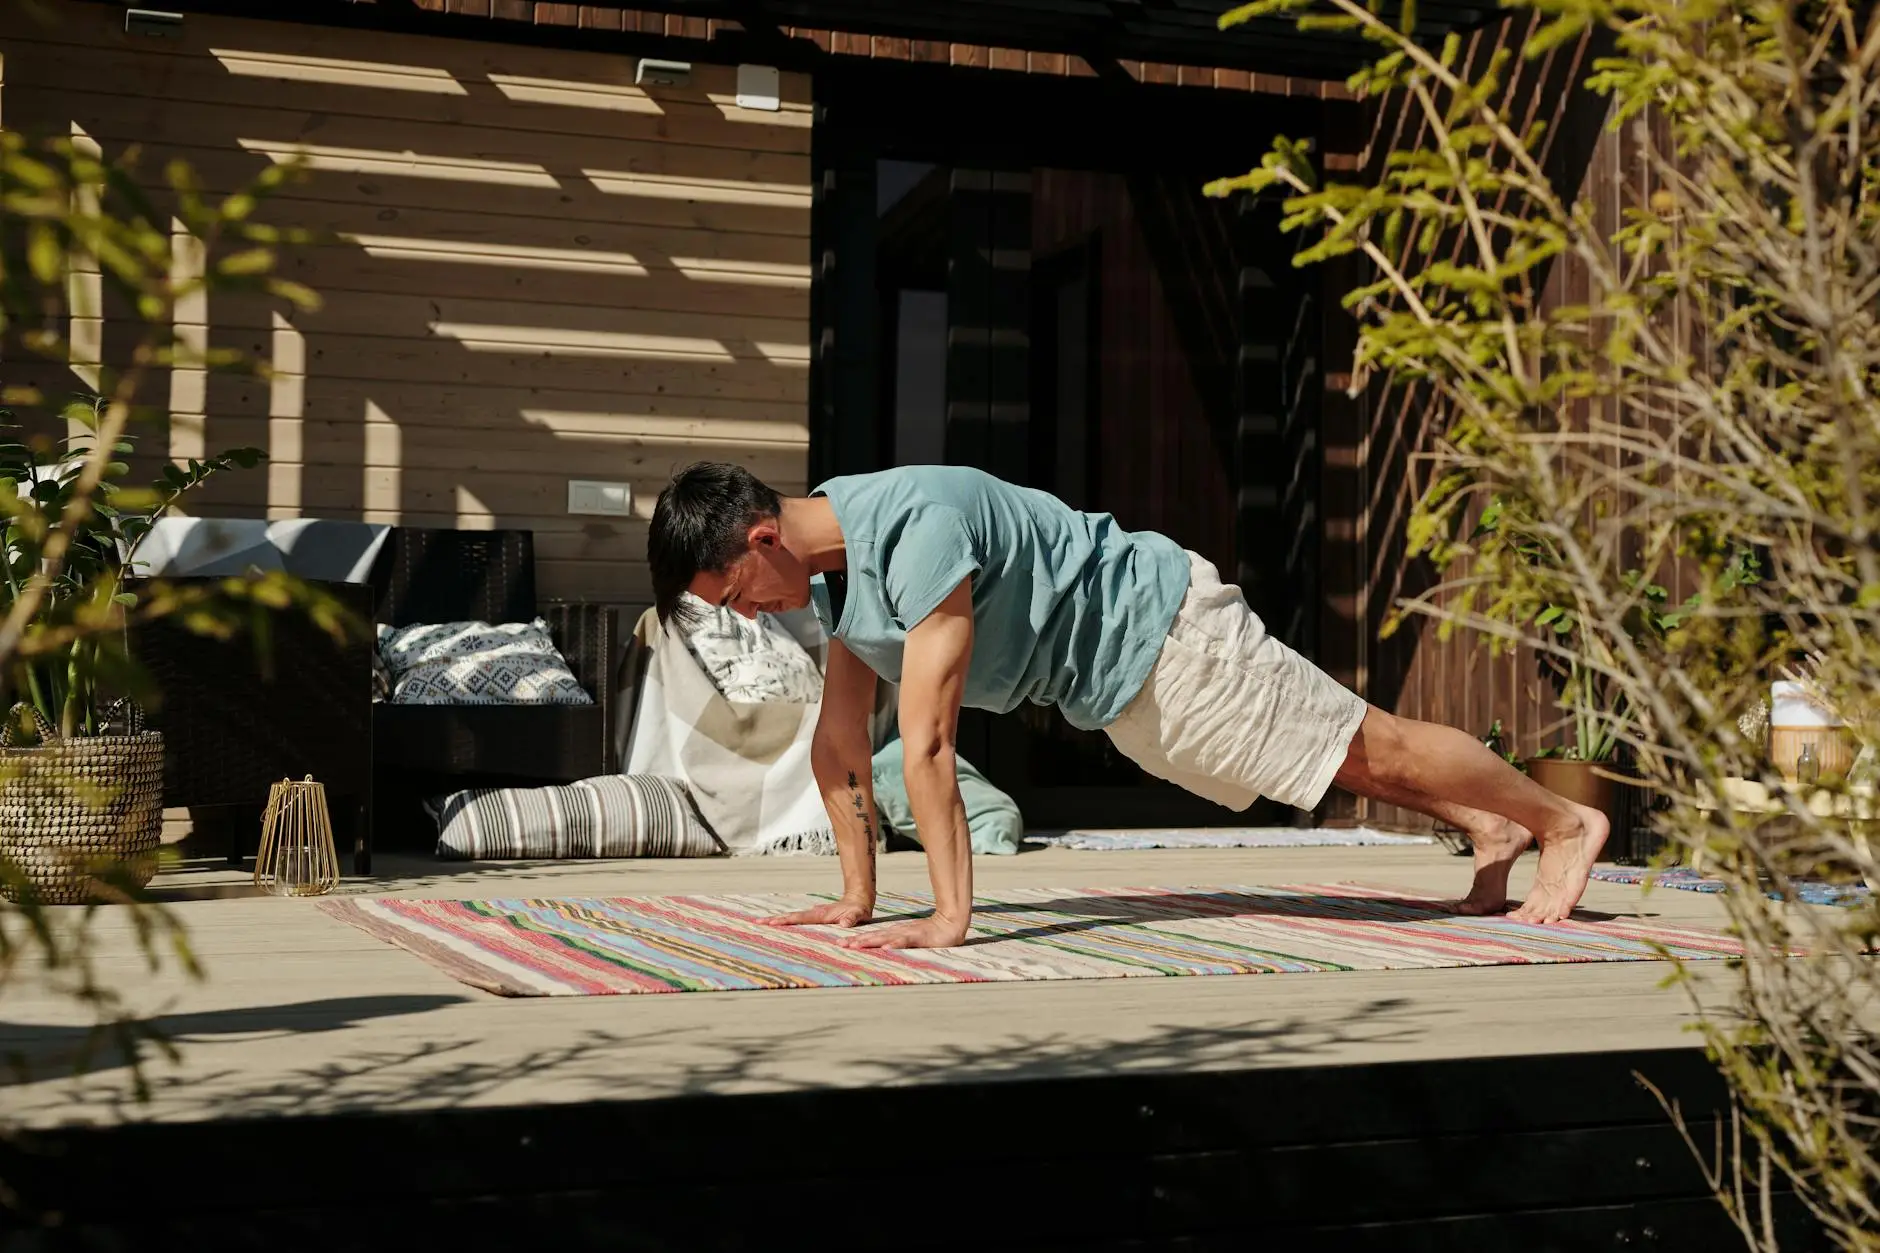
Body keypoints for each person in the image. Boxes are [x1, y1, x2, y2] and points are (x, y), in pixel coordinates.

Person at [647, 461, 1609, 950]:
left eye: (735, 593)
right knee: (1335, 765)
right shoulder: (833, 576)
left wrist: (949, 916)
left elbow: (927, 740)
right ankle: (1495, 823)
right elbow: (841, 742)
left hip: (1164, 638)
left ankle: (1563, 820)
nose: (749, 614)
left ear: (763, 537)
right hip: (1117, 687)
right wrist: (857, 899)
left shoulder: (912, 531)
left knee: (1373, 747)